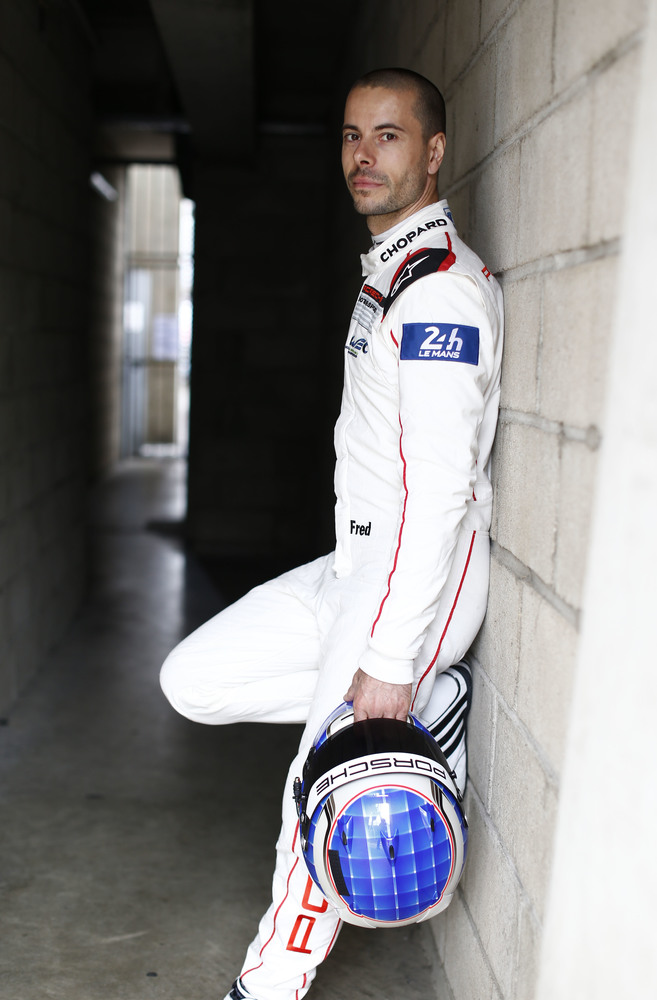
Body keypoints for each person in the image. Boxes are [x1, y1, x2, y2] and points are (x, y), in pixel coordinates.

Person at [160, 67, 504, 1000]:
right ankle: (431, 707)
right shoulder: (389, 269)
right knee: (193, 680)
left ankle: (268, 982)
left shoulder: (437, 293)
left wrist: (388, 659)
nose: (363, 155)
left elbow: (438, 490)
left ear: (433, 152)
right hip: (353, 563)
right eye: (353, 135)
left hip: (411, 577)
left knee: (319, 779)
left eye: (389, 136)